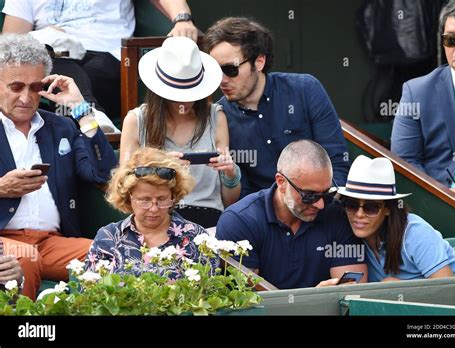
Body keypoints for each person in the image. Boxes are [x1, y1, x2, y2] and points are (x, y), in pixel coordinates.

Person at [0, 34, 118, 300]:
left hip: (53, 241)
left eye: (34, 87)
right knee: (24, 260)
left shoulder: (61, 127)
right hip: (4, 240)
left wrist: (81, 109)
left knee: (113, 253)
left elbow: (104, 173)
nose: (26, 97)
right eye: (16, 86)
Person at [203, 17, 350, 198]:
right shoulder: (220, 116)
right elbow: (242, 194)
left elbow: (337, 163)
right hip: (264, 218)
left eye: (230, 70)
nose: (222, 80)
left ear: (259, 62)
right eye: (215, 71)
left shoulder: (305, 90)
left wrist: (319, 203)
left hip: (319, 205)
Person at [1, 0, 197, 129]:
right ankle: (92, 117)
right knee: (54, 67)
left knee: (86, 74)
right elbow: (10, 44)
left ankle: (88, 116)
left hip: (108, 59)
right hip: (55, 60)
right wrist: (47, 36)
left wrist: (182, 19)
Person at [120, 36, 240, 228]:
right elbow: (124, 189)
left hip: (208, 219)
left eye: (190, 93)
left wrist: (231, 175)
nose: (183, 102)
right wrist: (160, 168)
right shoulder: (136, 120)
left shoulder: (216, 117)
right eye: (175, 94)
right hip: (155, 217)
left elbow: (229, 201)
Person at [216, 140, 367, 289]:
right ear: (281, 182)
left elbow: (353, 294)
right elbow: (248, 302)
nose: (320, 204)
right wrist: (314, 301)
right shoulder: (241, 221)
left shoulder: (336, 214)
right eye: (309, 195)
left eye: (327, 194)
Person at [85, 147, 218, 278]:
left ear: (173, 195)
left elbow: (210, 293)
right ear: (128, 197)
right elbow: (90, 293)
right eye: (144, 200)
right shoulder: (108, 238)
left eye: (162, 199)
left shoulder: (197, 238)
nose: (154, 208)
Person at [338, 155, 455, 282]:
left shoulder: (415, 232)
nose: (359, 214)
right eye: (351, 205)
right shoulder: (346, 236)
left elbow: (449, 293)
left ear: (388, 209)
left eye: (371, 207)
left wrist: (398, 289)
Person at [391, 0, 455, 198]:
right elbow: (404, 161)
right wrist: (446, 196)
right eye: (451, 40)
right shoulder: (416, 92)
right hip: (444, 205)